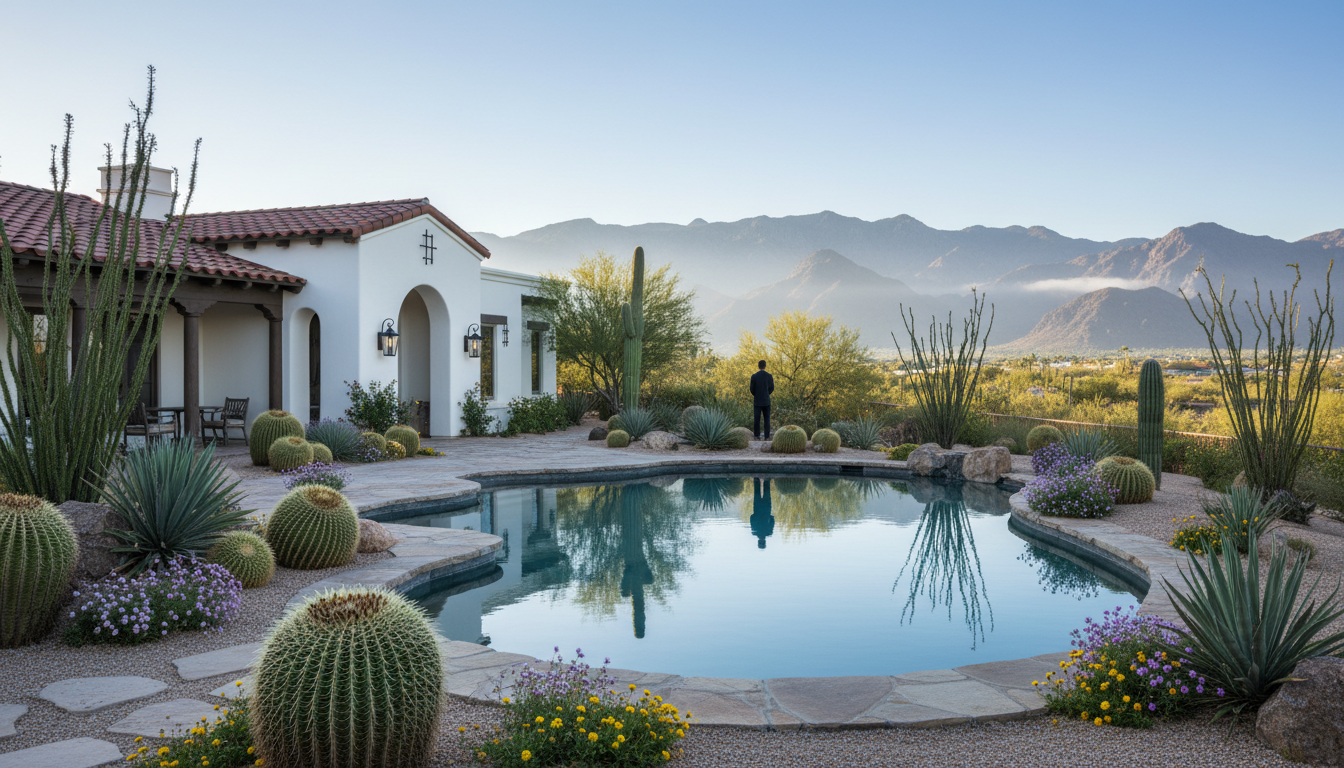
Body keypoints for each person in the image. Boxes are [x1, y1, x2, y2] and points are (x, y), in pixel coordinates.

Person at [749, 359, 774, 439]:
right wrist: (767, 393)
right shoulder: (769, 376)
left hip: (757, 400)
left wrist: (756, 394)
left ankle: (757, 435)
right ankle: (767, 436)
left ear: (758, 366)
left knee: (757, 419)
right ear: (765, 366)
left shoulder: (754, 376)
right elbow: (772, 388)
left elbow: (752, 389)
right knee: (767, 419)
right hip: (766, 400)